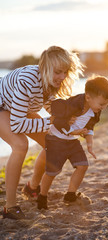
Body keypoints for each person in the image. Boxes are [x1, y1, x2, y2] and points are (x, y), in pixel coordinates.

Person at [0, 46, 84, 219]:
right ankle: (10, 207)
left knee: (53, 143)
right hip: (2, 105)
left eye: (65, 72)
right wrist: (50, 121)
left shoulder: (51, 82)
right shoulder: (27, 81)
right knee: (20, 145)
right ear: (45, 68)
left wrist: (73, 123)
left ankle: (31, 188)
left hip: (18, 108)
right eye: (58, 72)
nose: (62, 77)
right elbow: (17, 126)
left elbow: (54, 111)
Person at [36, 75, 108, 210]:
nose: (104, 107)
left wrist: (89, 145)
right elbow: (58, 121)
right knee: (52, 172)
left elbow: (89, 127)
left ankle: (70, 195)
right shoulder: (72, 104)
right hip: (56, 140)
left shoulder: (95, 110)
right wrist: (73, 131)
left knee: (83, 166)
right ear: (88, 97)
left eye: (107, 104)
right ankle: (42, 196)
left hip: (72, 141)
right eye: (102, 104)